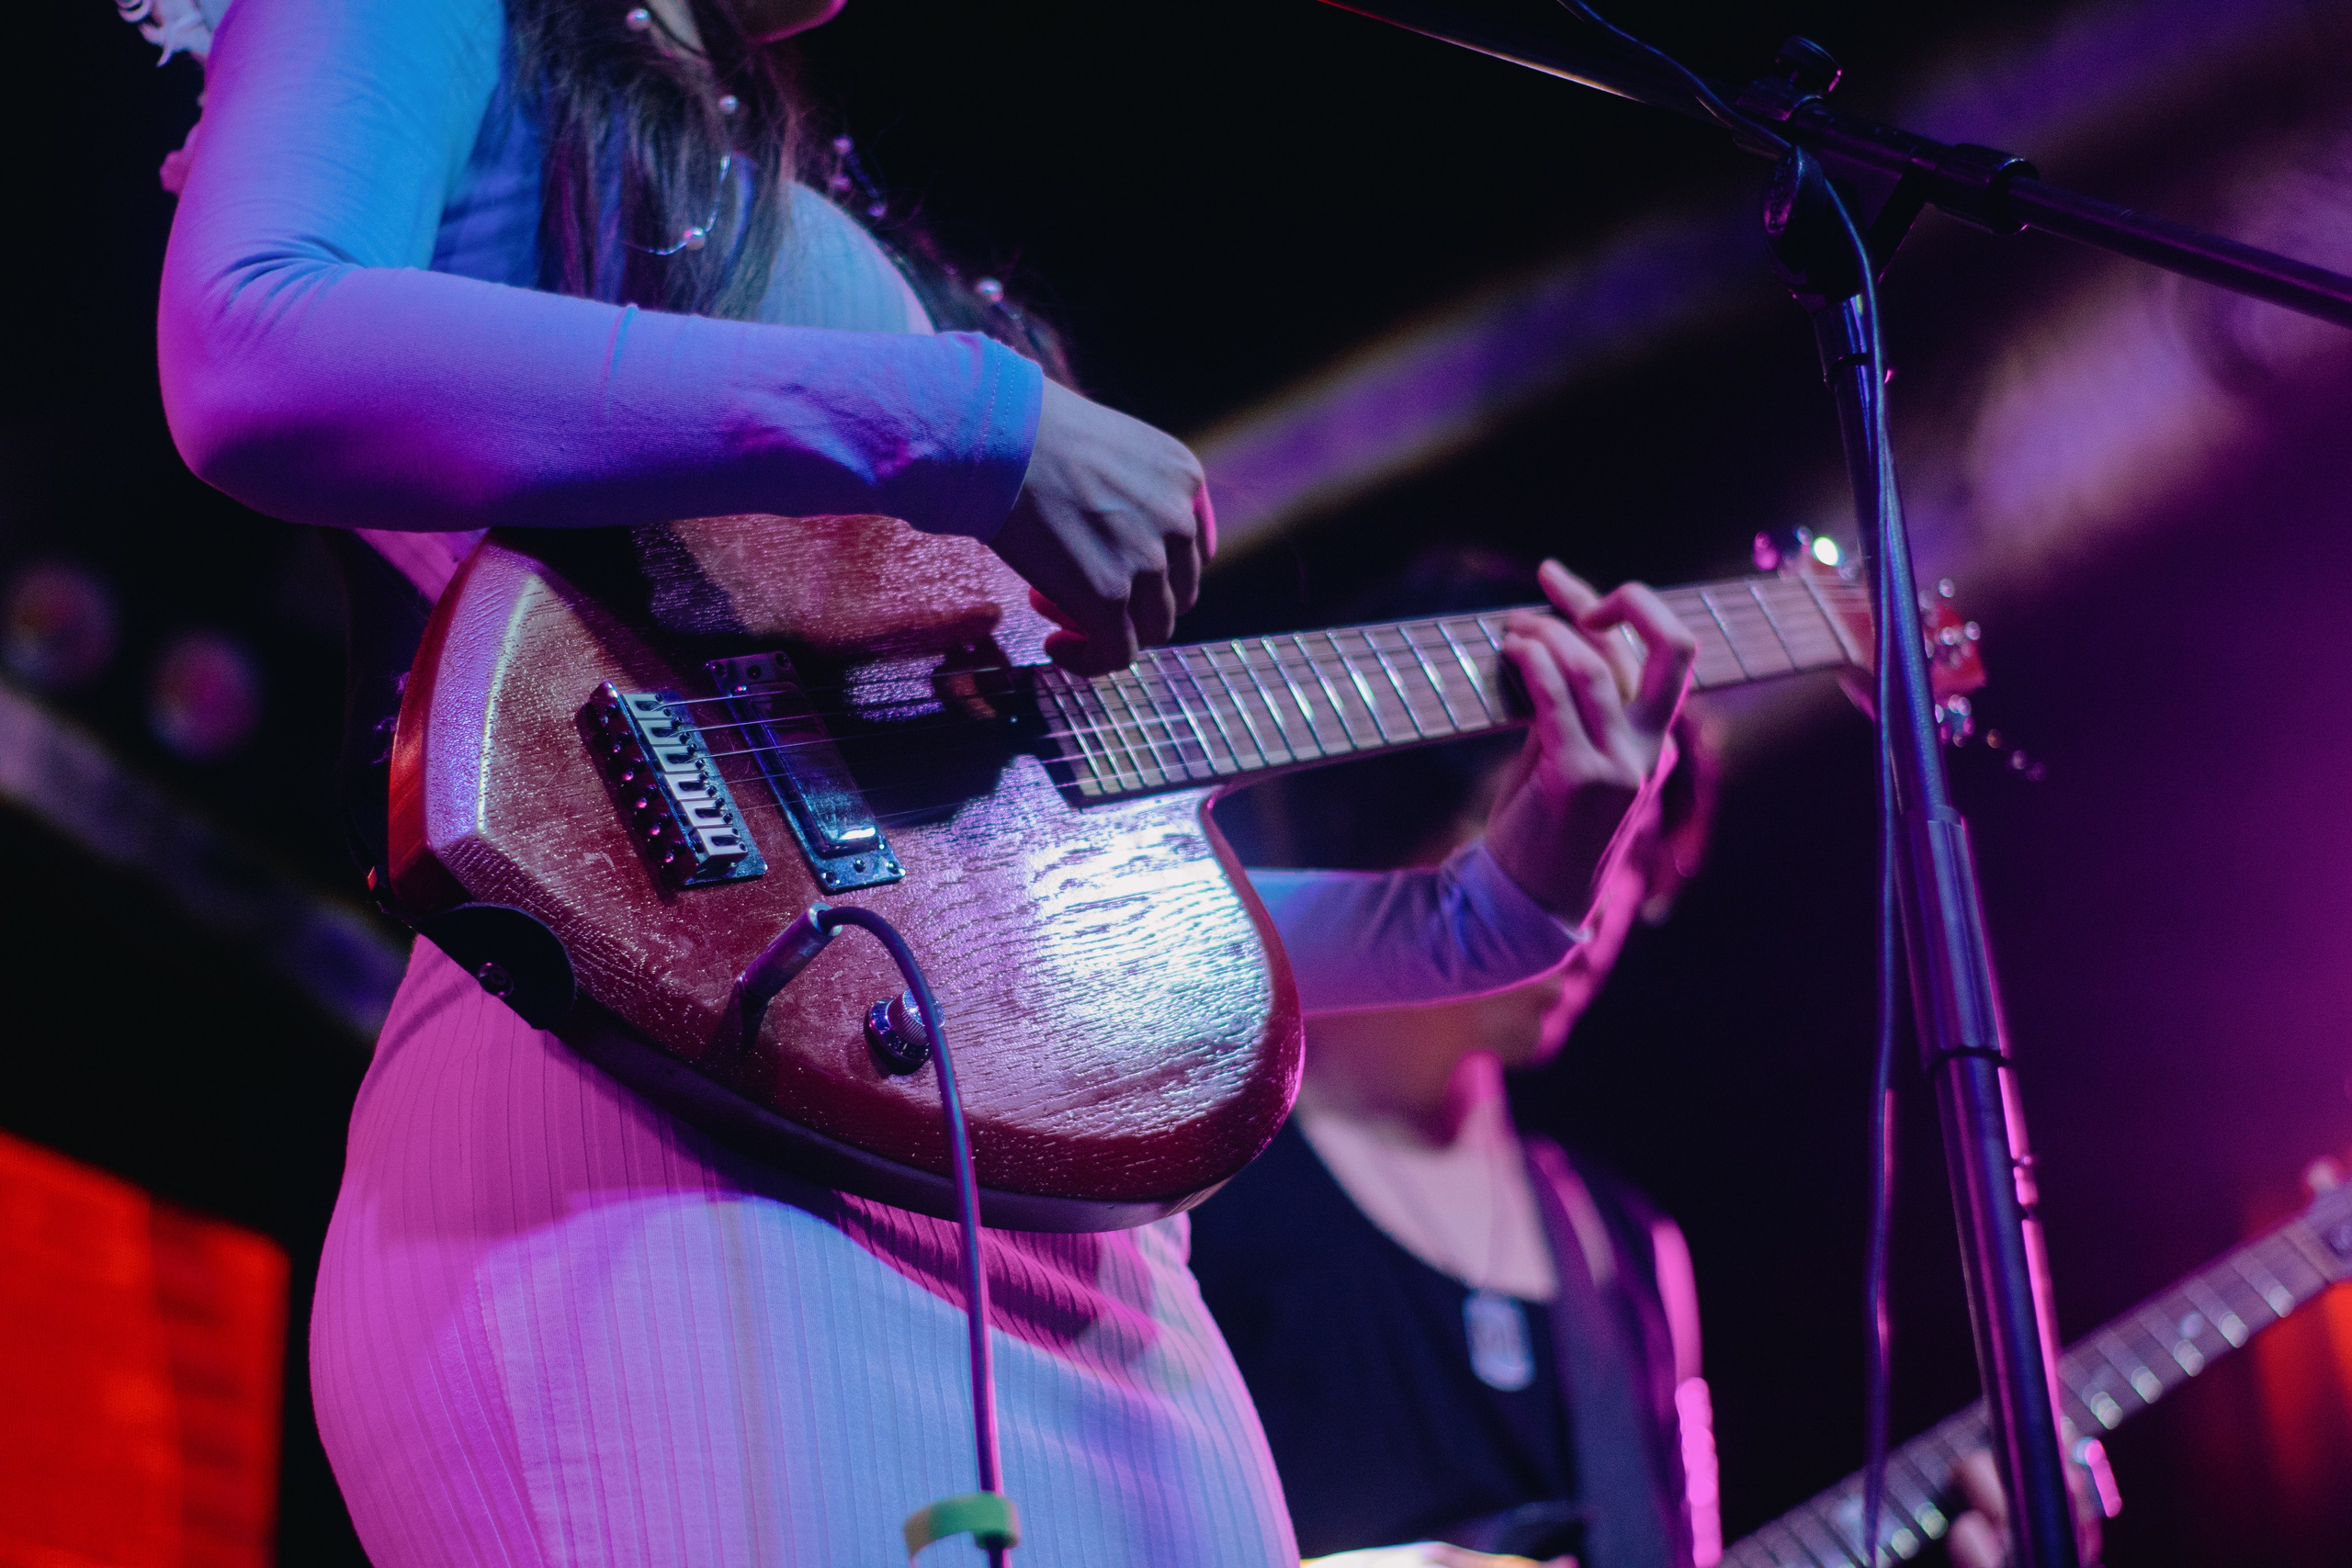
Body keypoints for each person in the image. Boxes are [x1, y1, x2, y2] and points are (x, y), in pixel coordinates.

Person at [135, 1, 1700, 1563]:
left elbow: (984, 890)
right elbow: (255, 347)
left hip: (1062, 1224)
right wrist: (974, 421)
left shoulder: (767, 152)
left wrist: (1490, 907)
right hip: (654, 1128)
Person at [1192, 553, 1720, 1568]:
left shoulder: (1624, 1245)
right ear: (1380, 817)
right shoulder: (1193, 1178)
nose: (1595, 905)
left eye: (1627, 846)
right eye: (1547, 816)